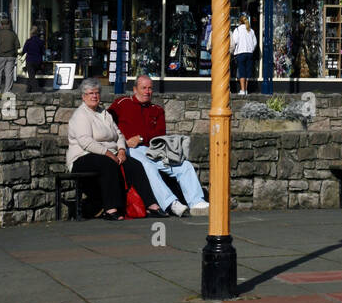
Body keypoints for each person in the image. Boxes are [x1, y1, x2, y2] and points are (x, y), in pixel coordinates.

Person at [109, 74, 208, 216]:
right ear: (135, 89)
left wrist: (141, 138)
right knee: (148, 167)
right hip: (130, 149)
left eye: (150, 88)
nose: (147, 91)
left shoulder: (157, 110)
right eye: (143, 88)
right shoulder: (122, 103)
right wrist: (121, 142)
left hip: (153, 149)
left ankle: (197, 202)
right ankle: (171, 203)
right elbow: (106, 122)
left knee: (185, 165)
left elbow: (160, 135)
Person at [66, 78, 162, 221]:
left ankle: (151, 204)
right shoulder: (81, 115)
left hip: (108, 154)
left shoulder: (104, 113)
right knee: (108, 164)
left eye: (97, 93)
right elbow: (86, 142)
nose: (94, 96)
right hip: (83, 157)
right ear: (83, 96)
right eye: (90, 93)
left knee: (134, 165)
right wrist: (108, 153)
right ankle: (111, 209)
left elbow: (119, 135)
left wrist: (122, 151)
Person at [0, 14, 20, 93]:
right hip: (11, 56)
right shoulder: (13, 34)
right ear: (9, 24)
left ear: (1, 24)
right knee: (9, 74)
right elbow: (17, 45)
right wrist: (15, 54)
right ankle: (7, 91)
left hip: (0, 56)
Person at [231, 14, 257, 96]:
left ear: (239, 22)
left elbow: (234, 41)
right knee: (248, 71)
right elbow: (255, 43)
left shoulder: (237, 30)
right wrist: (251, 49)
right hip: (249, 53)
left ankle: (242, 90)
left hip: (241, 52)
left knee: (242, 71)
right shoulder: (251, 30)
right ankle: (246, 89)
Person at [22, 26, 45, 93]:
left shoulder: (28, 41)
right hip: (38, 61)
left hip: (30, 61)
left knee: (31, 76)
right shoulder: (40, 41)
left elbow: (24, 51)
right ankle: (28, 90)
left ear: (31, 33)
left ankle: (36, 90)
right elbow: (43, 52)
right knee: (31, 75)